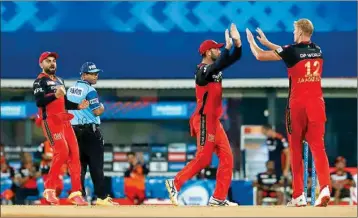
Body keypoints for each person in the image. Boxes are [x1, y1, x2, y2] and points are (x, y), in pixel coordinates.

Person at [246, 19, 331, 207]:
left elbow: (261, 56)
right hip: (317, 103)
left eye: (294, 31)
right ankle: (325, 187)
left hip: (297, 106)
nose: (293, 33)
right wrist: (269, 43)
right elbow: (291, 53)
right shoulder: (318, 50)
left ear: (300, 32)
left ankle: (299, 195)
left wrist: (252, 42)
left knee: (295, 150)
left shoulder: (292, 51)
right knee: (319, 148)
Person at [165, 23, 242, 206]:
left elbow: (232, 59)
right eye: (216, 48)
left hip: (215, 121)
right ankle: (174, 183)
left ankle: (218, 198)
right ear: (208, 52)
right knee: (204, 158)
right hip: (204, 120)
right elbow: (207, 72)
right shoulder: (202, 70)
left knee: (227, 157)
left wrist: (237, 44)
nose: (219, 51)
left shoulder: (216, 68)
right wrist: (227, 51)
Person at [32, 51, 89, 205]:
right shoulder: (40, 81)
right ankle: (49, 189)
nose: (52, 63)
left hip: (64, 121)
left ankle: (76, 193)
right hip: (50, 121)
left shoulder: (59, 80)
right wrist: (54, 95)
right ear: (41, 64)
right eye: (48, 61)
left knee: (75, 154)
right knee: (62, 152)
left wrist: (78, 106)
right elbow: (39, 102)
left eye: (54, 61)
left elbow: (63, 102)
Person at [67, 62, 117, 206]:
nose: (96, 76)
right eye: (92, 73)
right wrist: (102, 107)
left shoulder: (71, 89)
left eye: (96, 73)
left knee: (80, 166)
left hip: (74, 131)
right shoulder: (90, 90)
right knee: (96, 165)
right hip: (90, 131)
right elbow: (96, 111)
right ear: (83, 75)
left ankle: (79, 197)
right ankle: (101, 198)